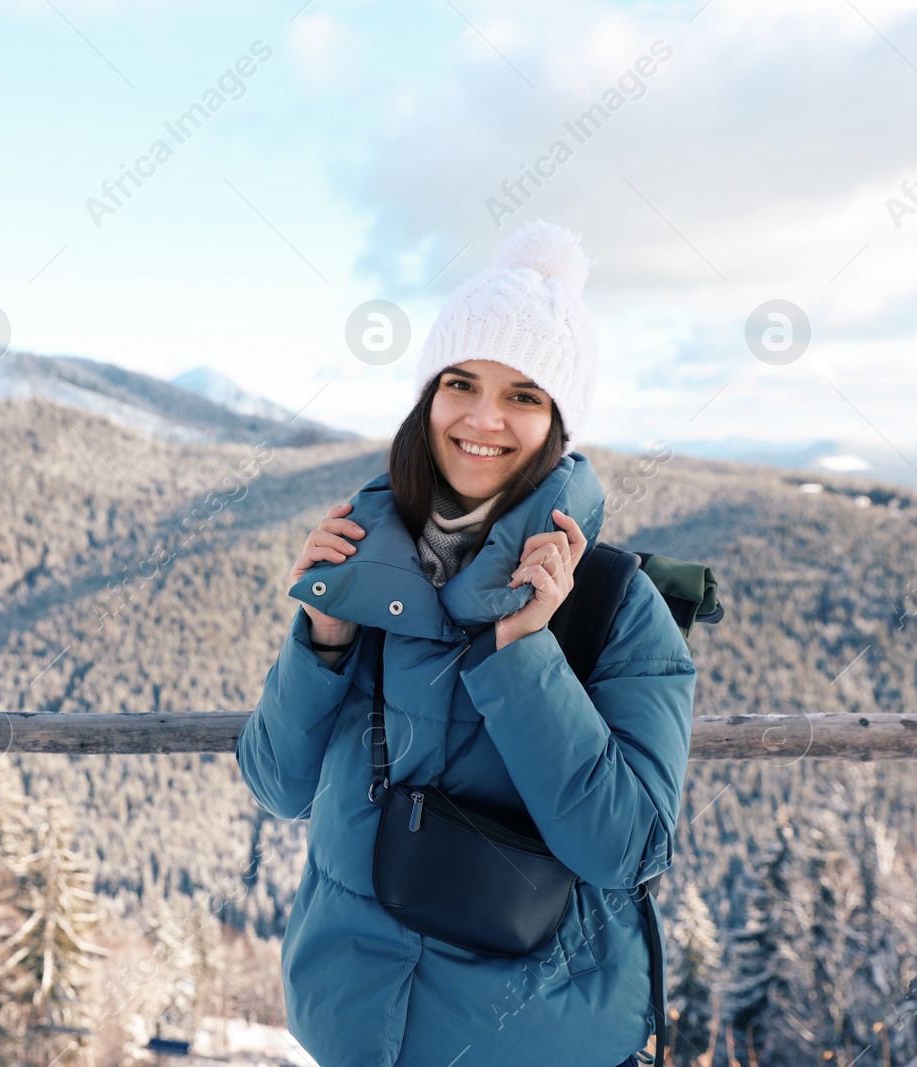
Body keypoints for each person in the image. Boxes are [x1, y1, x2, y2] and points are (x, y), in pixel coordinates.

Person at [235, 220, 697, 1067]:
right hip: (350, 1031)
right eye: (461, 382)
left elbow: (626, 847)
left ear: (560, 421)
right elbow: (276, 781)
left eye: (524, 394)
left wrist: (525, 653)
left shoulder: (615, 603)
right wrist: (324, 639)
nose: (484, 418)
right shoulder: (367, 563)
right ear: (427, 398)